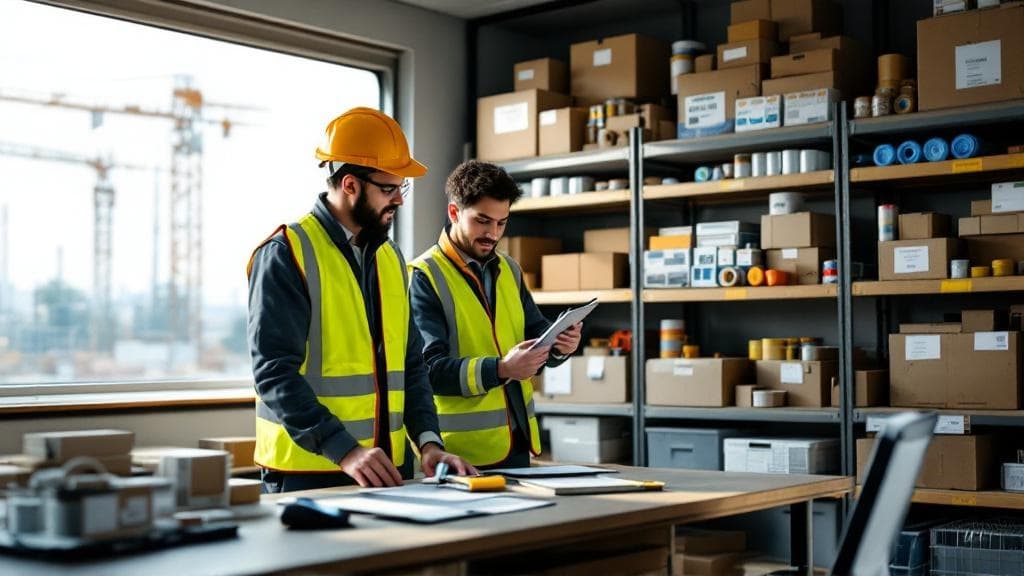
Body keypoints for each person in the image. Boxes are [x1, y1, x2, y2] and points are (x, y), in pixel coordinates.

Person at [247, 107, 475, 492]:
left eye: (401, 188)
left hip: (384, 471)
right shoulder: (287, 253)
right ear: (350, 185)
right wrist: (344, 450)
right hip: (312, 474)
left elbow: (411, 365)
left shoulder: (390, 258)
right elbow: (274, 372)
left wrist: (429, 444)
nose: (398, 201)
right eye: (389, 189)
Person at [409, 160, 583, 469]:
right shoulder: (424, 276)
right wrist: (502, 369)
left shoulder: (509, 270)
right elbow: (428, 372)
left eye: (502, 223)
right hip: (459, 454)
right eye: (482, 221)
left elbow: (537, 336)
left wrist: (561, 347)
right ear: (454, 213)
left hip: (517, 444)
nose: (493, 233)